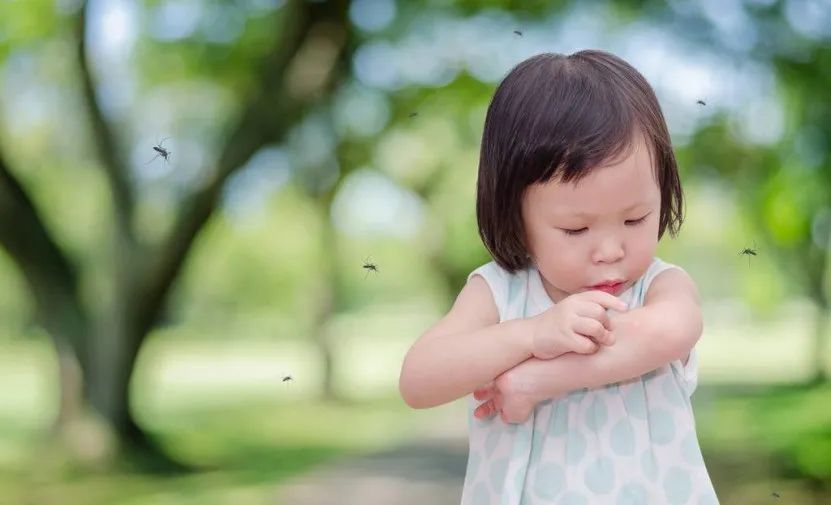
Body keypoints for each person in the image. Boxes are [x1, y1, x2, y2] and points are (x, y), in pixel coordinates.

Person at [399, 50, 719, 504]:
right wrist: (531, 334)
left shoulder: (658, 286)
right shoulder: (500, 293)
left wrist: (539, 380)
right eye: (576, 229)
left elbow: (673, 331)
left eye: (635, 219)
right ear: (515, 215)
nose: (611, 251)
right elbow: (418, 380)